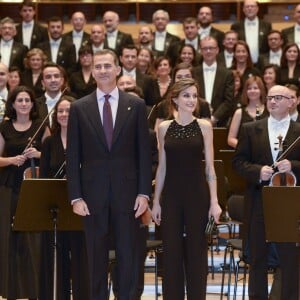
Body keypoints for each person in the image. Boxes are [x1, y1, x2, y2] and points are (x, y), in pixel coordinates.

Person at [66, 49, 152, 300]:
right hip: (91, 197)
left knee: (128, 255)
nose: (103, 70)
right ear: (92, 72)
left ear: (118, 69)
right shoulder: (79, 108)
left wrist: (144, 193)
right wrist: (75, 197)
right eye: (98, 66)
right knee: (95, 258)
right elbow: (73, 156)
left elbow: (143, 155)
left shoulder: (135, 105)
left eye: (107, 66)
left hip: (128, 195)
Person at [152, 78, 222, 300]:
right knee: (171, 253)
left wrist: (214, 201)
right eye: (186, 95)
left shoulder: (205, 126)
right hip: (171, 197)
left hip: (197, 196)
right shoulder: (163, 128)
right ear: (175, 99)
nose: (192, 100)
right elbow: (161, 168)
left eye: (194, 95)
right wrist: (155, 201)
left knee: (196, 253)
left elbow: (210, 167)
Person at [232, 84, 300, 300]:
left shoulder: (299, 131)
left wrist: (294, 166)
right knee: (258, 258)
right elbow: (238, 162)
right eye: (270, 97)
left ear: (291, 102)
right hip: (259, 200)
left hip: (290, 204)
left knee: (291, 260)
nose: (272, 101)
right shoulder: (251, 129)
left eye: (279, 98)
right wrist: (256, 171)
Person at [0, 85, 50, 300]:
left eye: (27, 100)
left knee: (34, 240)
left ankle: (35, 290)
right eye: (19, 100)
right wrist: (12, 159)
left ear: (32, 104)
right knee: (10, 239)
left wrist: (38, 153)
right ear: (12, 104)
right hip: (10, 187)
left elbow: (52, 156)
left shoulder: (42, 126)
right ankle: (10, 291)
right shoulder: (4, 127)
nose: (23, 104)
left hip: (34, 189)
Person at [39, 95, 89, 300]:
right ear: (55, 115)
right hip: (56, 210)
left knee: (81, 260)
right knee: (56, 261)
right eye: (60, 111)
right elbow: (43, 177)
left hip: (81, 208)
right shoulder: (49, 142)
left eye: (68, 110)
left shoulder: (87, 140)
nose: (64, 114)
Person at [193, 36, 234, 127]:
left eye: (211, 48)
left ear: (217, 50)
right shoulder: (193, 72)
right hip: (196, 121)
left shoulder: (227, 74)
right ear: (200, 51)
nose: (208, 51)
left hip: (220, 123)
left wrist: (214, 118)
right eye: (205, 48)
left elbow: (228, 101)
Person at [227, 76, 268, 148]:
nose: (252, 91)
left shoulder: (269, 111)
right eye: (249, 88)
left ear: (261, 90)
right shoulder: (239, 112)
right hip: (244, 154)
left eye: (255, 88)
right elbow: (230, 139)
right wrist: (246, 147)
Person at [231, 0, 271, 64]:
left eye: (252, 6)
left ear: (257, 9)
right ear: (243, 9)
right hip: (242, 63)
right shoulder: (236, 26)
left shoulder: (266, 25)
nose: (250, 8)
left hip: (262, 64)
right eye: (247, 7)